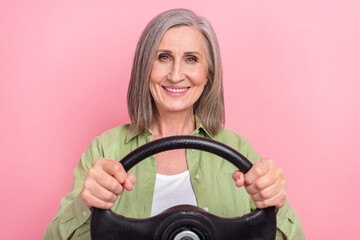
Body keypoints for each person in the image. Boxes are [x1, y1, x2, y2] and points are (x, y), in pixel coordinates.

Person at [44, 8, 305, 239]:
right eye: (164, 57)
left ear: (207, 75)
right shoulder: (105, 150)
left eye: (191, 59)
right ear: (145, 68)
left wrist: (276, 204)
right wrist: (85, 203)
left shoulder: (238, 151)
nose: (176, 75)